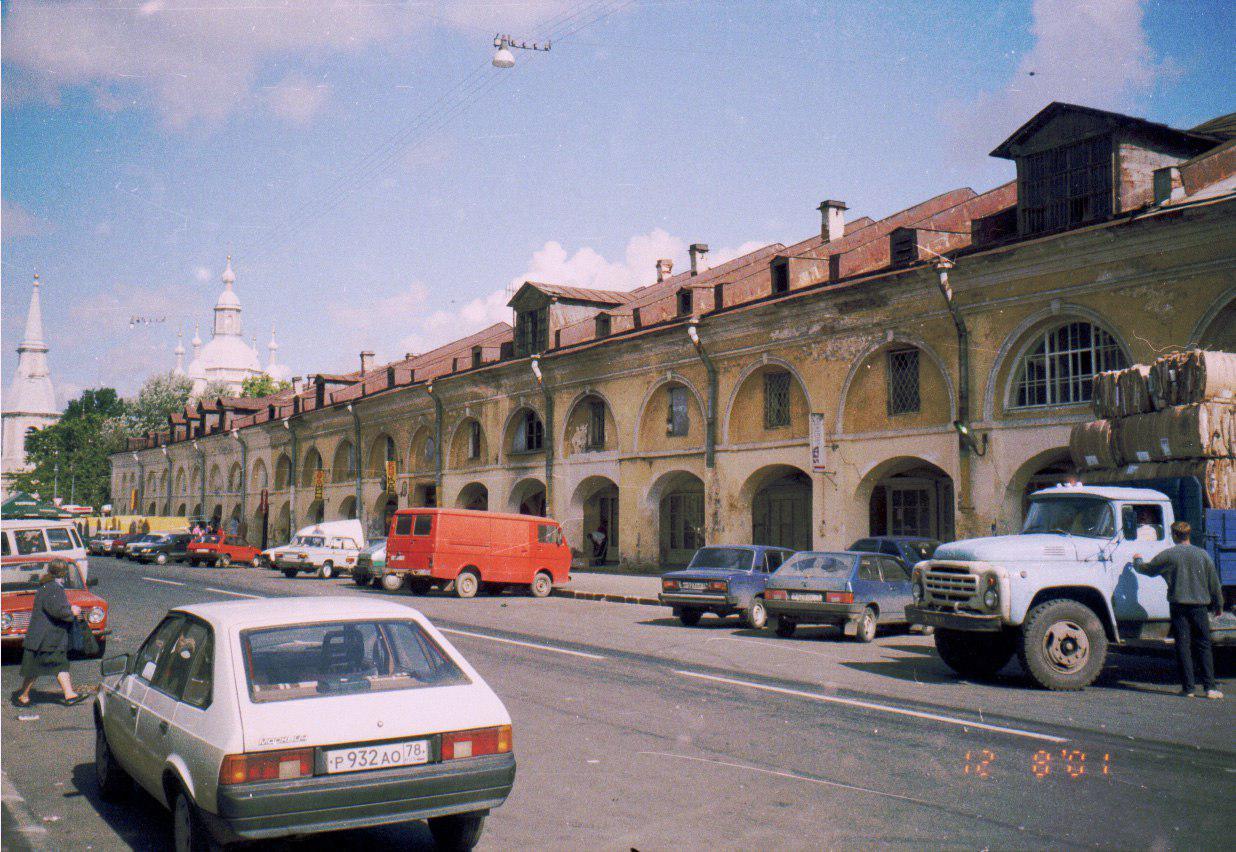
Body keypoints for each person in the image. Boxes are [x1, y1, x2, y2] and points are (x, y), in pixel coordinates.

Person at [1134, 521, 1224, 699]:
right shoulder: (1203, 555)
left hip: (1179, 606)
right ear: (1188, 535)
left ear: (1174, 535)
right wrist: (1218, 605)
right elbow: (1214, 583)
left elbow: (1148, 569)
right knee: (1204, 645)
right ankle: (1210, 688)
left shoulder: (1169, 555)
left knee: (1183, 646)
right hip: (1199, 607)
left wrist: (1137, 560)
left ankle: (1188, 688)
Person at [13, 560, 87, 707]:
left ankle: (69, 694)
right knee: (40, 667)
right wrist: (72, 611)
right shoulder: (53, 588)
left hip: (44, 637)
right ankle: (24, 696)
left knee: (56, 665)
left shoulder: (47, 586)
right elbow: (57, 611)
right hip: (47, 638)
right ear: (64, 573)